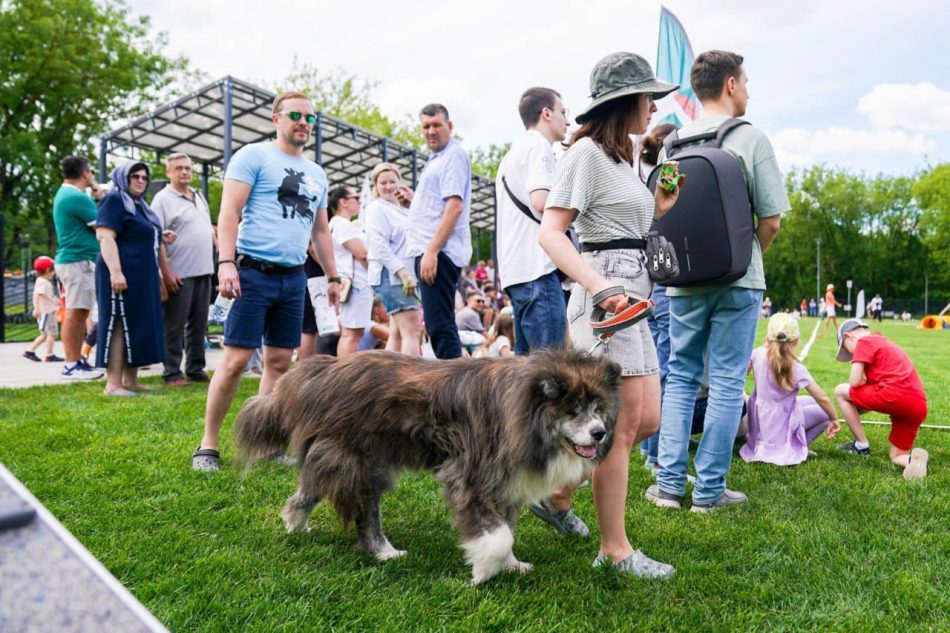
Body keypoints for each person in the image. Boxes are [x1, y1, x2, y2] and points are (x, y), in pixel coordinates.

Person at [540, 51, 682, 578]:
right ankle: (615, 550)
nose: (654, 106)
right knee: (618, 430)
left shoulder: (624, 158)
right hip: (606, 299)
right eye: (649, 97)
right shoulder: (585, 156)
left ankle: (555, 494)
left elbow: (628, 222)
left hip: (635, 296)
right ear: (625, 101)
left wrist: (659, 205)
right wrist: (599, 286)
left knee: (646, 419)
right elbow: (551, 232)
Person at [648, 50, 788, 513]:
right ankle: (709, 491)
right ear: (730, 84)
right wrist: (745, 258)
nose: (747, 90)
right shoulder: (751, 138)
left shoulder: (673, 145)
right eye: (745, 81)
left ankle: (669, 486)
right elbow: (770, 220)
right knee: (727, 381)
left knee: (682, 376)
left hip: (685, 281)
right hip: (737, 280)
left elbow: (664, 208)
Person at [192, 91, 338, 472]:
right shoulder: (253, 156)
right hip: (252, 273)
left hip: (294, 278)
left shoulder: (317, 173)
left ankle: (264, 444)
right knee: (237, 360)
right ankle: (207, 445)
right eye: (295, 115)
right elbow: (229, 212)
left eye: (310, 117)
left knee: (278, 362)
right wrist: (226, 263)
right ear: (276, 119)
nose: (304, 122)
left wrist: (332, 276)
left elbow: (320, 232)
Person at [406, 103, 472, 360]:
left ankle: (452, 395)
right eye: (426, 126)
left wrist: (431, 251)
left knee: (440, 325)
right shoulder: (437, 159)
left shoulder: (453, 155)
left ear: (450, 126)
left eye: (436, 125)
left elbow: (454, 207)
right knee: (437, 324)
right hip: (432, 250)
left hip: (439, 252)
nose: (431, 131)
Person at [94, 161, 165, 397]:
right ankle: (113, 384)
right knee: (118, 324)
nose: (140, 181)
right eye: (135, 176)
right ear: (124, 178)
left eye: (145, 177)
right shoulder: (114, 199)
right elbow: (105, 236)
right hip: (120, 274)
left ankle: (130, 380)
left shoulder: (140, 206)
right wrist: (115, 271)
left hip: (142, 276)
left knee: (137, 324)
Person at [833, 319, 929, 479]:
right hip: (917, 404)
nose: (851, 356)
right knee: (896, 455)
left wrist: (859, 387)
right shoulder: (882, 342)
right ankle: (913, 461)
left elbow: (855, 382)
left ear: (848, 336)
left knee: (840, 391)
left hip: (893, 395)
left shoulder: (863, 342)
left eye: (847, 351)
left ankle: (861, 446)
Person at [739, 313, 839, 466]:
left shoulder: (758, 354)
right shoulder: (796, 367)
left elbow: (743, 369)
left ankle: (792, 444)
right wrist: (834, 418)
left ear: (768, 338)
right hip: (780, 422)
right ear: (796, 341)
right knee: (824, 412)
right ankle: (798, 448)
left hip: (760, 419)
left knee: (810, 401)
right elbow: (823, 398)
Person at [151, 152, 215, 386]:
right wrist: (166, 272)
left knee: (199, 325)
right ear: (169, 172)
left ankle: (196, 368)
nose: (185, 172)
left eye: (187, 168)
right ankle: (171, 372)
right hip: (179, 273)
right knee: (174, 325)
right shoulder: (162, 199)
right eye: (178, 168)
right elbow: (155, 237)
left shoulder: (198, 196)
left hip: (204, 271)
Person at [638, 122, 678, 474]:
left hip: (646, 282)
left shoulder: (640, 173)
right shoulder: (666, 177)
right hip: (665, 283)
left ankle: (647, 447)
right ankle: (654, 453)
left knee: (653, 369)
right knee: (665, 371)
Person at [52, 155, 105, 380]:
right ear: (86, 173)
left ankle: (75, 362)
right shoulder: (76, 197)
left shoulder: (68, 194)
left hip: (75, 260)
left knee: (80, 310)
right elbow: (103, 224)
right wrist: (99, 195)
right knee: (76, 312)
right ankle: (71, 365)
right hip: (77, 261)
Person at [363, 162, 422, 356]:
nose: (388, 187)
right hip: (393, 276)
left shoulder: (401, 208)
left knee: (397, 334)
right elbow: (379, 246)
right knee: (412, 331)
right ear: (376, 186)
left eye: (392, 182)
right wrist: (403, 273)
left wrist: (412, 202)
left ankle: (388, 382)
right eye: (383, 183)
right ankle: (410, 380)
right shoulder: (376, 209)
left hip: (404, 275)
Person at [328, 184, 372, 357]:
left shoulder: (337, 224)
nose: (359, 202)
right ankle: (347, 374)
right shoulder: (342, 224)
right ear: (343, 202)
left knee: (352, 333)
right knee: (351, 334)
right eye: (356, 198)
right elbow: (361, 253)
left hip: (350, 283)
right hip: (355, 284)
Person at [23, 256, 63, 362]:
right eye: (53, 269)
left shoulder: (41, 281)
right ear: (47, 270)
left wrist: (55, 300)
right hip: (47, 313)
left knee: (45, 335)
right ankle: (49, 355)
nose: (54, 272)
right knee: (52, 334)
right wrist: (53, 301)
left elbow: (38, 295)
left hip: (46, 312)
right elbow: (39, 294)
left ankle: (30, 351)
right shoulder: (43, 282)